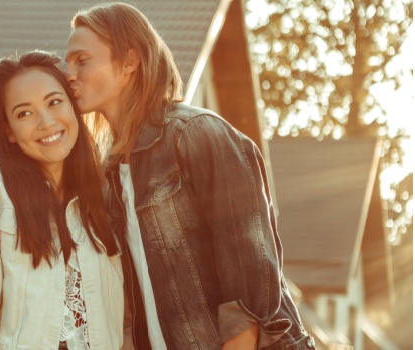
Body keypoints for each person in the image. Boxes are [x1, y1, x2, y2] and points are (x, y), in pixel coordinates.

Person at [63, 3, 314, 350]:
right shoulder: (110, 177)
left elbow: (248, 299)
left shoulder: (197, 135)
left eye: (81, 60)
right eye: (67, 62)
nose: (68, 73)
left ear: (129, 62)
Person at [0, 50, 126, 350]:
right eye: (24, 113)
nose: (46, 122)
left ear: (73, 107)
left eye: (54, 102)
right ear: (9, 131)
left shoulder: (106, 195)